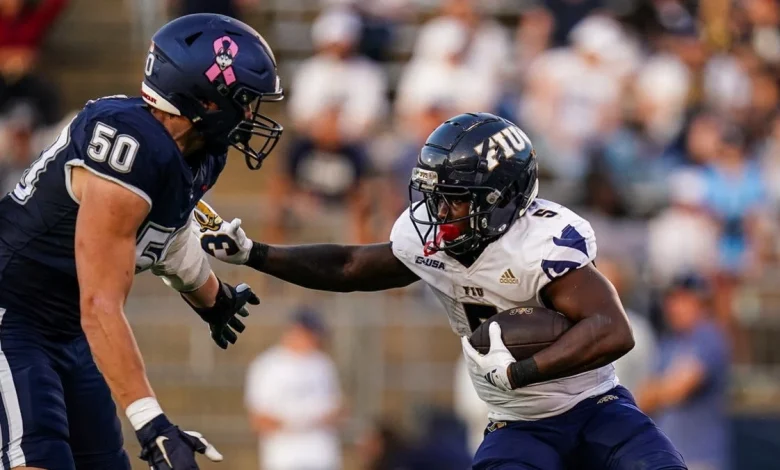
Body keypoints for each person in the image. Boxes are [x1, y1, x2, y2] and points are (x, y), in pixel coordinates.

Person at [198, 113, 687, 469]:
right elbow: (350, 266)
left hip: (595, 406)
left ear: (500, 199)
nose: (438, 213)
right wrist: (255, 253)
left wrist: (521, 369)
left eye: (454, 200)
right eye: (435, 198)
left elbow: (613, 330)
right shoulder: (430, 240)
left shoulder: (542, 241)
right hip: (517, 423)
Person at [0, 13, 283, 470]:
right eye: (244, 101)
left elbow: (168, 238)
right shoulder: (127, 142)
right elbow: (100, 303)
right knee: (39, 457)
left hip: (66, 330)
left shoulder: (197, 153)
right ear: (203, 99)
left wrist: (213, 299)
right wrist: (152, 425)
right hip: (11, 313)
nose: (251, 115)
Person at [636, 275, 731, 470]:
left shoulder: (708, 336)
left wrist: (657, 391)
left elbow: (677, 389)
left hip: (700, 459)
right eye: (671, 300)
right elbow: (643, 398)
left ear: (700, 303)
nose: (674, 307)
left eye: (682, 300)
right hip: (669, 456)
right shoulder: (669, 343)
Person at [245, 308, 343, 470]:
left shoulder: (323, 364)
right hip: (284, 459)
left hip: (322, 457)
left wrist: (314, 418)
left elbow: (337, 410)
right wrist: (298, 421)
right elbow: (258, 420)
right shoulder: (267, 366)